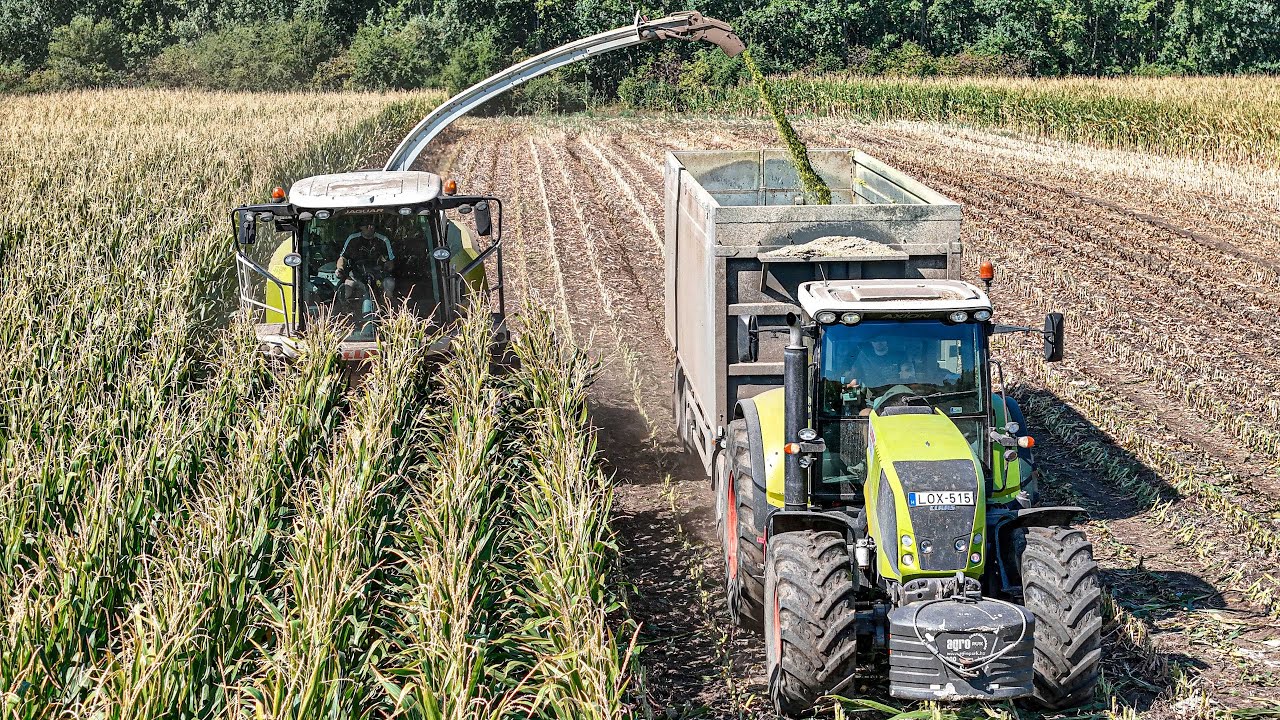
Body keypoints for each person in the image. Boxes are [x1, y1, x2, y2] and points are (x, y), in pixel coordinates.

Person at [336, 221, 396, 301]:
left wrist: (387, 267)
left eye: (372, 225)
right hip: (356, 276)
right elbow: (343, 258)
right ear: (360, 227)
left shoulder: (383, 240)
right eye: (366, 225)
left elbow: (390, 261)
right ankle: (347, 311)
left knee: (390, 283)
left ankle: (386, 308)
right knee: (345, 290)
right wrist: (340, 269)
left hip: (378, 276)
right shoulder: (352, 239)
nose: (370, 227)